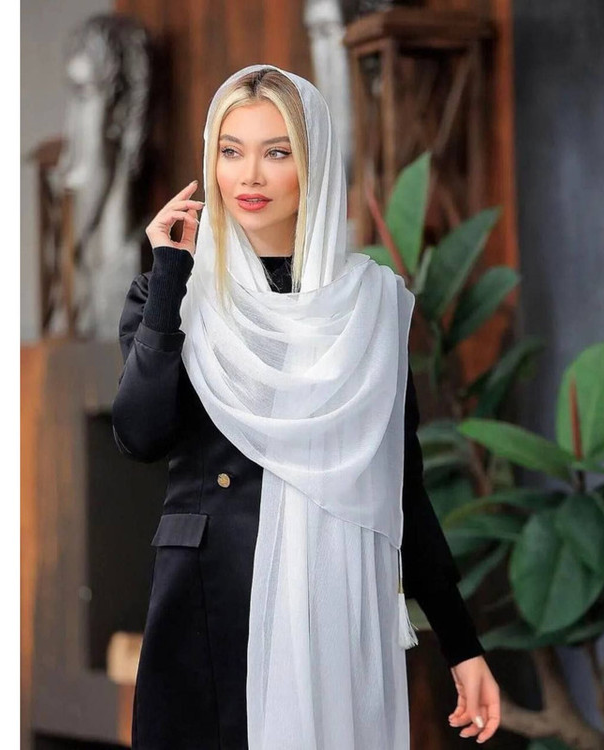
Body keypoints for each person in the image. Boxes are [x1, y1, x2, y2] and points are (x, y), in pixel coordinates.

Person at [112, 64, 500, 749]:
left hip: (329, 605)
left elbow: (401, 486)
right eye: (230, 151)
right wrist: (172, 272)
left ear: (314, 164)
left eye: (277, 151)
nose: (249, 176)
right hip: (209, 605)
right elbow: (140, 436)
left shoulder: (366, 308)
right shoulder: (170, 294)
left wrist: (462, 645)